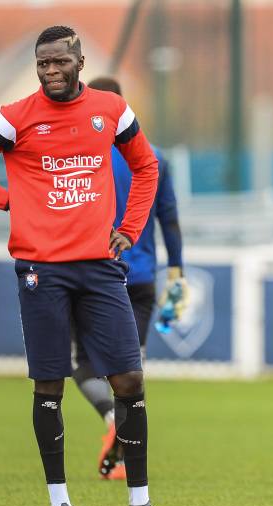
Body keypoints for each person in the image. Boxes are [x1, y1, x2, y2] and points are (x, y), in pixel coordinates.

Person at [0, 25, 188, 506]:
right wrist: (8, 200)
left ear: (78, 60)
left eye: (59, 62)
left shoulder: (112, 111)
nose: (50, 71)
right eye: (42, 64)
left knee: (130, 380)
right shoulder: (14, 117)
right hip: (41, 270)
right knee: (48, 385)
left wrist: (130, 229)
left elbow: (147, 168)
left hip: (100, 267)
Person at [70, 75, 187, 482]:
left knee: (83, 365)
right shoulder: (154, 157)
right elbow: (169, 220)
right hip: (140, 280)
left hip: (94, 274)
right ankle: (121, 457)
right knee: (129, 370)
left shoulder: (86, 156)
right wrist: (178, 272)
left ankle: (109, 420)